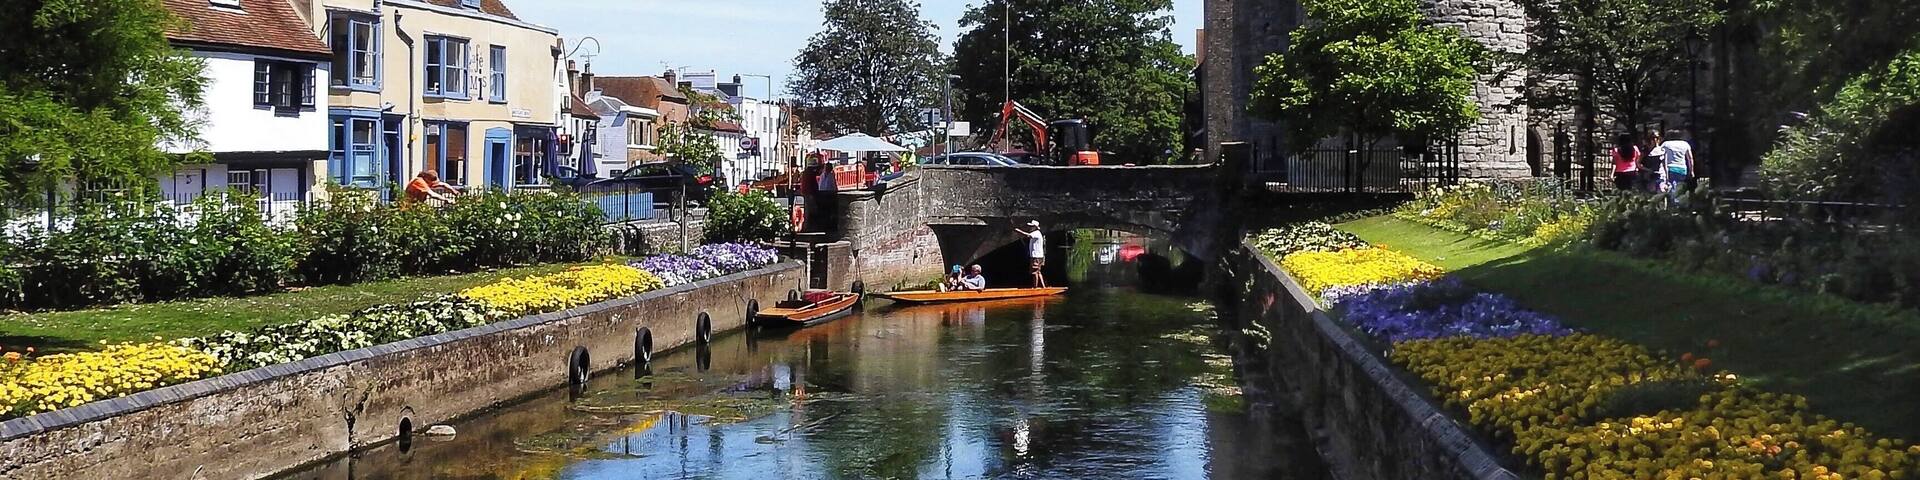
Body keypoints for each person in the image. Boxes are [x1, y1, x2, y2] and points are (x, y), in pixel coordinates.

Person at [1648, 130, 1696, 205]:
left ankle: (1673, 204)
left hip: (1669, 168)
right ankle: (1679, 203)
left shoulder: (1665, 144)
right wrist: (1691, 170)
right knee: (1679, 186)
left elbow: (1661, 156)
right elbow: (1690, 158)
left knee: (1670, 186)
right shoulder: (1685, 144)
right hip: (1682, 169)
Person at [1014, 220, 1048, 288]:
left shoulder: (1036, 233)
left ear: (1035, 227)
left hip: (1036, 256)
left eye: (1031, 226)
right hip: (1039, 256)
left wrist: (1018, 231)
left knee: (1035, 272)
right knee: (1038, 272)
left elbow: (1027, 235)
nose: (1030, 227)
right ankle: (1043, 287)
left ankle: (1035, 288)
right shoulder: (1037, 233)